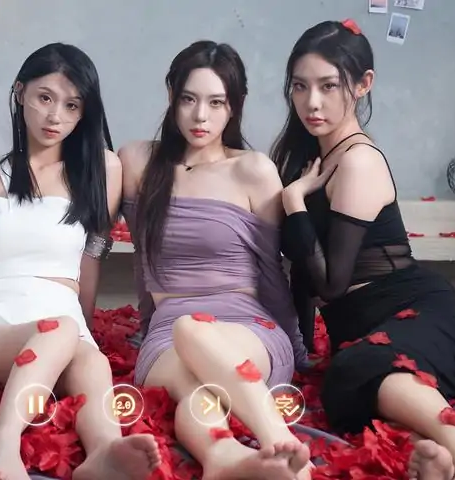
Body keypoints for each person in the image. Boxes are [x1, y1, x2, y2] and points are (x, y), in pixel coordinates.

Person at [271, 20, 455, 480]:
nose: (312, 102)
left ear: (363, 84)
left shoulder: (358, 161)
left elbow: (331, 284)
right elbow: (301, 274)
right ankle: (430, 452)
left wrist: (294, 201)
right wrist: (300, 354)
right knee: (347, 384)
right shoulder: (311, 161)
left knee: (358, 368)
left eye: (328, 86)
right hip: (365, 330)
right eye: (300, 86)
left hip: (421, 314)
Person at [0, 43, 161, 480]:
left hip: (62, 317)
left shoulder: (101, 170)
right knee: (61, 330)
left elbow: (91, 257)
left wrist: (85, 328)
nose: (56, 116)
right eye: (45, 98)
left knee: (92, 361)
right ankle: (2, 443)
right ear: (20, 92)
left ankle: (104, 453)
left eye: (72, 105)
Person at [119, 40, 313, 480]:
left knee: (194, 331)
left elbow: (271, 270)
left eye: (216, 103)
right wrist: (148, 325)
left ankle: (278, 439)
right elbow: (142, 260)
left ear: (235, 106)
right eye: (189, 99)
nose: (200, 116)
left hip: (247, 327)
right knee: (194, 387)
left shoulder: (253, 170)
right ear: (171, 96)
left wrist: (297, 347)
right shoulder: (137, 162)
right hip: (168, 331)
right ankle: (222, 457)